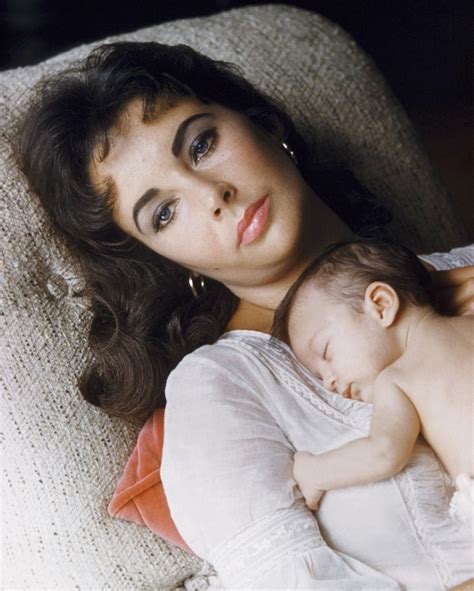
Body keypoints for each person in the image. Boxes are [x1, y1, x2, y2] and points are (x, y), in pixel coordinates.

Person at [17, 41, 474, 589]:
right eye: (163, 213)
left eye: (202, 144)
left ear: (262, 125)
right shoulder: (223, 392)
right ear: (162, 258)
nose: (212, 195)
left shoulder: (460, 270)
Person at [271, 240, 473, 527]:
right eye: (318, 376)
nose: (329, 382)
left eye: (327, 352)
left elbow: (384, 452)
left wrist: (314, 471)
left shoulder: (398, 379)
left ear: (380, 304)